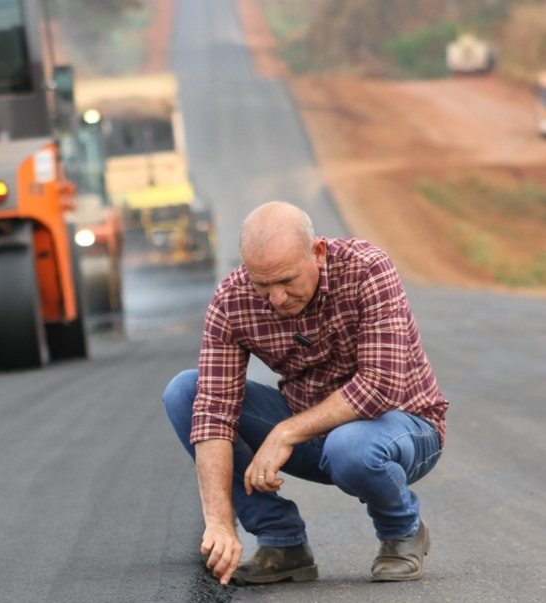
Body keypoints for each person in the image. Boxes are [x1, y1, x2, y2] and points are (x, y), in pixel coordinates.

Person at [163, 201, 448, 586]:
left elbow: (380, 387)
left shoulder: (367, 269)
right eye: (262, 284)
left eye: (287, 281)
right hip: (313, 434)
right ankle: (282, 543)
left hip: (402, 428)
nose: (276, 298)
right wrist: (218, 521)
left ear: (317, 252)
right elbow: (214, 410)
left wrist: (285, 433)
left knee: (350, 447)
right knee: (186, 392)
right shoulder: (232, 300)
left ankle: (401, 530)